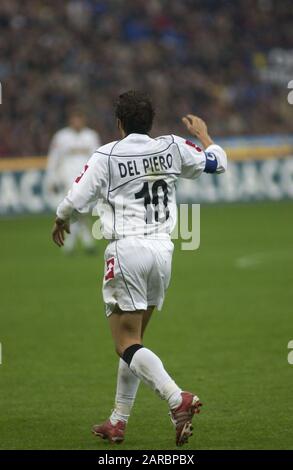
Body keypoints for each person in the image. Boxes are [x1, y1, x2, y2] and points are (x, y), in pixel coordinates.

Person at [52, 90, 227, 446]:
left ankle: (178, 399)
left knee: (125, 343)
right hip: (163, 251)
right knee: (135, 341)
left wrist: (60, 218)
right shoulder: (172, 146)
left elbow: (75, 198)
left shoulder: (107, 154)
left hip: (127, 249)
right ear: (150, 123)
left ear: (118, 124)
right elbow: (216, 163)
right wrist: (204, 136)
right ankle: (118, 421)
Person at [47, 108, 101, 253]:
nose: (77, 122)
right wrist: (51, 178)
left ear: (83, 120)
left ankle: (76, 243)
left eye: (79, 119)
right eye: (74, 119)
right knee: (77, 210)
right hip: (68, 179)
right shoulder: (61, 136)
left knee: (80, 212)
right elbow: (54, 159)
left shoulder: (91, 136)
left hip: (87, 180)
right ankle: (83, 243)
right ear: (70, 120)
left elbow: (97, 159)